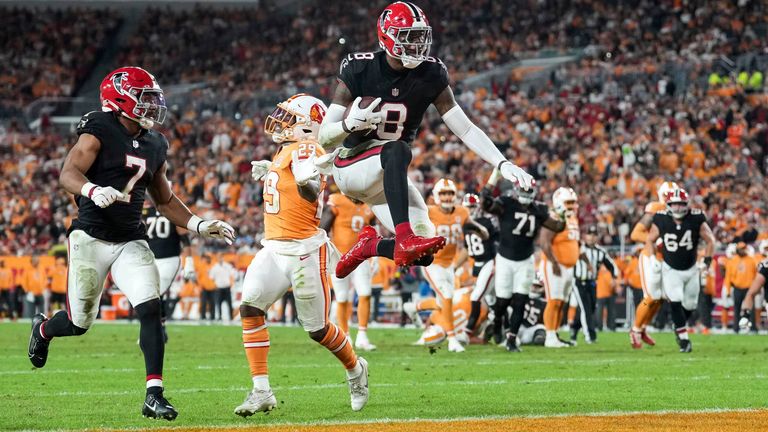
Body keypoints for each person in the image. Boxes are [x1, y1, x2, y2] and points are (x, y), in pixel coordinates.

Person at [26, 67, 235, 420]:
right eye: (145, 98)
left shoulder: (156, 143)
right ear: (120, 98)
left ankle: (154, 395)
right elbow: (68, 173)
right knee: (78, 323)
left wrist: (199, 224)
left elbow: (164, 199)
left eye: (154, 98)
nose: (153, 106)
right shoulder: (99, 126)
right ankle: (44, 329)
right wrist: (92, 189)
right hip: (90, 236)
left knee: (151, 308)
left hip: (130, 239)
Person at [317, 1, 534, 279]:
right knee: (397, 151)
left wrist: (502, 163)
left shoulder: (431, 73)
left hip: (386, 177)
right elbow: (324, 138)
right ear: (386, 36)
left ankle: (371, 246)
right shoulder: (360, 68)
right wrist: (348, 125)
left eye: (420, 36)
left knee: (425, 253)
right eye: (408, 37)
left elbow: (465, 129)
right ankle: (404, 236)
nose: (416, 44)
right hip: (351, 167)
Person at [236, 94, 368, 416]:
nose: (281, 122)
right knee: (250, 307)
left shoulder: (307, 148)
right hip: (274, 247)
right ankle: (261, 391)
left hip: (303, 251)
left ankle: (355, 369)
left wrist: (305, 178)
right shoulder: (288, 149)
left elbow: (309, 189)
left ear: (309, 125)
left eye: (290, 117)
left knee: (318, 329)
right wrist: (274, 169)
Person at [481, 173, 564, 352]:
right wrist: (492, 181)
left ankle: (511, 339)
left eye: (528, 189)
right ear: (516, 189)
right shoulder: (506, 203)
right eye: (523, 189)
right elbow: (485, 203)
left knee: (520, 301)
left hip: (525, 260)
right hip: (505, 259)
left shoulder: (539, 209)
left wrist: (562, 215)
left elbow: (557, 227)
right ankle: (497, 322)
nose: (526, 192)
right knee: (503, 301)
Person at [645, 186, 715, 353]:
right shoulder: (661, 218)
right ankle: (684, 339)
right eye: (674, 204)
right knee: (675, 300)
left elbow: (710, 240)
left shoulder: (696, 218)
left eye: (681, 204)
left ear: (687, 204)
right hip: (671, 268)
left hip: (691, 269)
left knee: (690, 305)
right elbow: (649, 240)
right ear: (668, 205)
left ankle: (678, 326)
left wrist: (707, 261)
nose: (678, 208)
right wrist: (653, 258)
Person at [423, 178, 488, 352]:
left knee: (445, 302)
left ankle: (415, 308)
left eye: (450, 193)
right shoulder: (428, 211)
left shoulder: (462, 211)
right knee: (446, 296)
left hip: (449, 264)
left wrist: (481, 230)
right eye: (443, 193)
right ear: (436, 196)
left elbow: (470, 224)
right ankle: (452, 339)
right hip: (431, 262)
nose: (447, 197)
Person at [320, 192, 377, 350]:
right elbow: (323, 227)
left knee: (365, 293)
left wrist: (375, 255)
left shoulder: (368, 205)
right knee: (342, 296)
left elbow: (373, 230)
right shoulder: (337, 200)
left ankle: (362, 336)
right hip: (340, 256)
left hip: (361, 257)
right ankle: (345, 335)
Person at [628, 181, 677, 348]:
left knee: (659, 299)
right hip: (650, 257)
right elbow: (636, 234)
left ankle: (642, 328)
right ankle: (635, 330)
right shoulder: (656, 209)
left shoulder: (679, 212)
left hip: (664, 259)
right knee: (650, 296)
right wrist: (655, 241)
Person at [539, 187, 580, 348]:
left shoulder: (572, 217)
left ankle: (554, 334)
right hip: (554, 265)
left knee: (561, 303)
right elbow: (544, 242)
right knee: (553, 301)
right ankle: (549, 336)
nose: (572, 206)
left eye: (573, 202)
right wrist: (554, 263)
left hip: (568, 267)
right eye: (568, 202)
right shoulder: (553, 217)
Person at [142, 203, 189, 340]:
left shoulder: (174, 211)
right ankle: (160, 329)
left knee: (154, 295)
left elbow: (185, 238)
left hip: (169, 259)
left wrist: (189, 263)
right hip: (151, 258)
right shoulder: (145, 211)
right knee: (154, 296)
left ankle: (152, 331)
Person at [459, 192, 499, 341]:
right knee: (492, 300)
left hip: (490, 262)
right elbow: (466, 248)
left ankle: (467, 331)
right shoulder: (465, 225)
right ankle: (501, 331)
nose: (470, 210)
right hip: (477, 264)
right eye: (468, 207)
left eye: (472, 207)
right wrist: (455, 266)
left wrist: (498, 260)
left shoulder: (486, 221)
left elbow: (498, 241)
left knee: (476, 296)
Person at [570, 226, 618, 344]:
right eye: (589, 234)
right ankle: (590, 336)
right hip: (579, 282)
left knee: (590, 309)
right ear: (585, 236)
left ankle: (574, 328)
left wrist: (614, 278)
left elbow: (611, 265)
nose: (591, 237)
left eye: (594, 234)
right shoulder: (578, 247)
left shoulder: (600, 251)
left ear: (597, 237)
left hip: (592, 283)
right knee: (586, 309)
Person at [723, 242, 758, 332]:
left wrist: (756, 289)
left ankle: (753, 328)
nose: (743, 250)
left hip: (749, 289)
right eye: (741, 249)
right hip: (737, 288)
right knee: (737, 309)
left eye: (744, 248)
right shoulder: (732, 261)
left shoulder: (751, 260)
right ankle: (736, 328)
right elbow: (728, 277)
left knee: (750, 309)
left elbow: (756, 275)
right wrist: (728, 291)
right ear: (737, 250)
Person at [209, 254, 236, 322]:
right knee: (219, 303)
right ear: (217, 258)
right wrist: (215, 284)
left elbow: (232, 274)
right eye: (219, 258)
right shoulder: (214, 267)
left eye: (221, 257)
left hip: (227, 287)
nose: (220, 259)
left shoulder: (228, 266)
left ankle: (231, 317)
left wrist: (231, 284)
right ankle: (220, 317)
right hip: (219, 288)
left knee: (229, 303)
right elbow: (211, 277)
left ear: (223, 258)